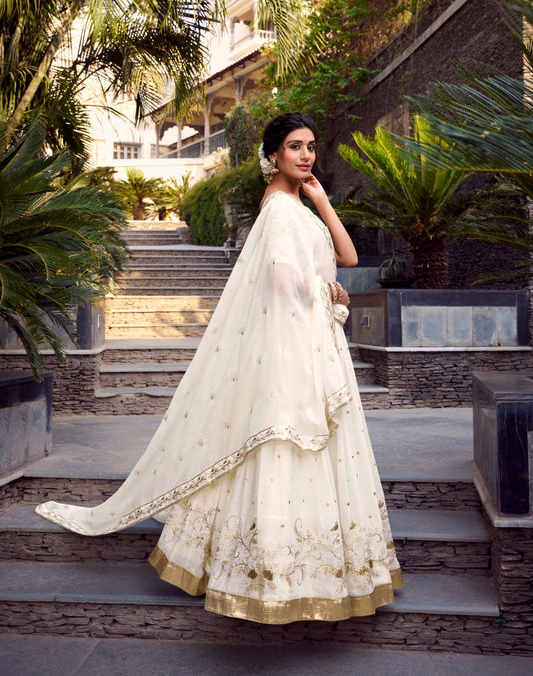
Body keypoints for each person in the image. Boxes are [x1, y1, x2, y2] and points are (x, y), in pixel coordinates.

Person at [36, 112, 402, 624]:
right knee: (282, 442)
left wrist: (322, 202)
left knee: (309, 443)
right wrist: (328, 293)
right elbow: (281, 283)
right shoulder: (278, 211)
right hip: (294, 345)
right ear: (272, 155)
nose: (306, 155)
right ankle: (272, 571)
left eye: (311, 146)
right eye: (295, 146)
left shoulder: (300, 206)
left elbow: (348, 256)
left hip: (314, 340)